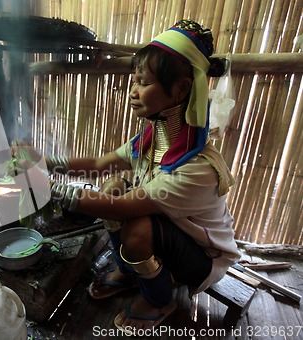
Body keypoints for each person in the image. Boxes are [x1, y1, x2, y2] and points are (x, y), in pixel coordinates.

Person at [42, 19, 241, 333]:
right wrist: (45, 163)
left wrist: (48, 188)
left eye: (143, 82)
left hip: (201, 257)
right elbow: (99, 164)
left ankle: (159, 298)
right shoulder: (149, 141)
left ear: (181, 89)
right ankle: (131, 270)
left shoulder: (197, 167)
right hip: (170, 233)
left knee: (134, 224)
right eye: (133, 80)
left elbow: (120, 209)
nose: (133, 91)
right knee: (114, 184)